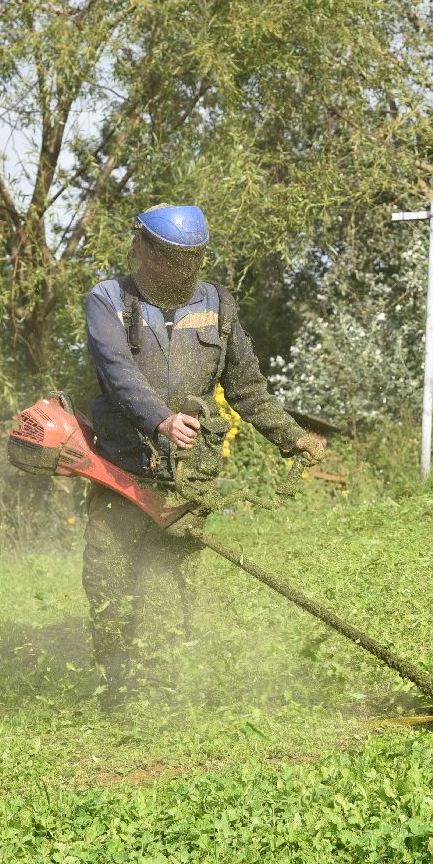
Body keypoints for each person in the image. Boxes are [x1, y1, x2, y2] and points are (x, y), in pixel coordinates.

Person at [82, 204, 324, 705]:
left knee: (167, 583)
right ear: (144, 251)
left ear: (188, 258)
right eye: (156, 251)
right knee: (108, 580)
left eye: (183, 258)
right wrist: (161, 420)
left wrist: (291, 435)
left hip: (189, 478)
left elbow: (246, 387)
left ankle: (171, 690)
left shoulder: (219, 306)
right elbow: (117, 373)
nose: (172, 265)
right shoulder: (108, 301)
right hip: (121, 470)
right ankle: (116, 693)